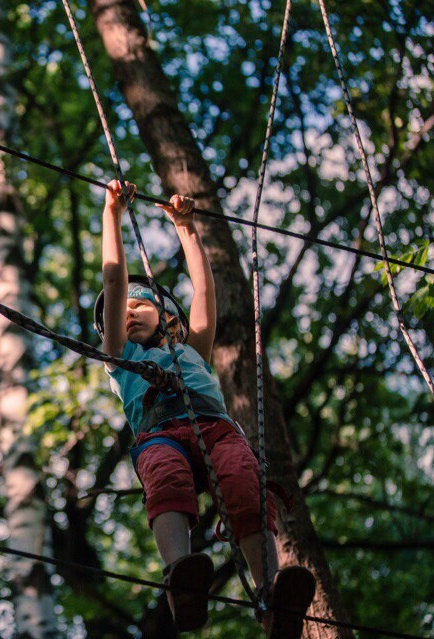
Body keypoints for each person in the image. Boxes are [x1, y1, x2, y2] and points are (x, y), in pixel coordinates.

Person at [95, 180, 316, 637]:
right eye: (120, 312)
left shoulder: (193, 348)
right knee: (167, 479)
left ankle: (271, 591)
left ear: (167, 315)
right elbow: (114, 279)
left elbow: (204, 294)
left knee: (243, 481)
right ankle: (181, 576)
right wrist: (111, 215)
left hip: (216, 430)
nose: (129, 312)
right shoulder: (120, 357)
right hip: (159, 436)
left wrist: (186, 229)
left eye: (141, 304)